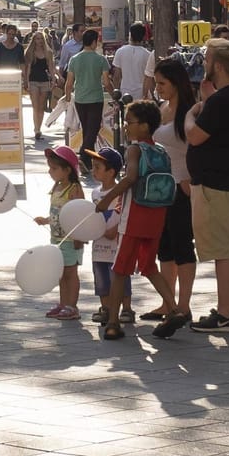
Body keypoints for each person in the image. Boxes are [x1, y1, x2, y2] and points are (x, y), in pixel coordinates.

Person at [184, 37, 229, 333]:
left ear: (218, 66)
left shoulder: (224, 99)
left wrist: (190, 115)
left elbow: (195, 136)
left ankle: (225, 315)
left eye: (207, 59)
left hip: (216, 186)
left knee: (223, 251)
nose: (203, 63)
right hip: (227, 181)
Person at [94, 101, 174, 342]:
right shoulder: (160, 150)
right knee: (149, 266)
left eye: (130, 122)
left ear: (145, 126)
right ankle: (176, 308)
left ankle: (113, 322)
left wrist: (107, 199)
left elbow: (130, 178)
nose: (126, 126)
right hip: (156, 215)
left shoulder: (134, 150)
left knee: (119, 270)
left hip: (135, 216)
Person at [149, 55, 198, 337]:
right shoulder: (162, 107)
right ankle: (167, 303)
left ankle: (184, 304)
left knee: (182, 246)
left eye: (163, 83)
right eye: (156, 83)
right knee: (164, 247)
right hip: (159, 188)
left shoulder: (190, 112)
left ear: (177, 83)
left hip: (182, 186)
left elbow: (197, 148)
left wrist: (189, 181)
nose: (158, 88)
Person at [82, 146, 134, 324]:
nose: (93, 170)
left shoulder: (122, 191)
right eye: (93, 166)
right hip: (99, 244)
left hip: (117, 243)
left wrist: (117, 228)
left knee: (121, 276)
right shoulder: (95, 193)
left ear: (111, 171)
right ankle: (106, 308)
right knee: (101, 278)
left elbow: (126, 212)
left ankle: (126, 308)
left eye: (98, 167)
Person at [33, 145, 86, 319]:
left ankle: (72, 306)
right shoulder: (56, 188)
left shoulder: (74, 190)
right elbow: (56, 212)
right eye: (49, 167)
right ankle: (64, 304)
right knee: (61, 273)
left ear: (67, 170)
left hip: (71, 240)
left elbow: (81, 214)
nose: (50, 171)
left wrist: (79, 237)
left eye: (54, 168)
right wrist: (46, 220)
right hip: (56, 238)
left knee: (71, 273)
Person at [63, 30, 111, 152]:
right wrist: (114, 94)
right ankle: (85, 156)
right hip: (96, 99)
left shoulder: (74, 59)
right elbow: (106, 82)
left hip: (80, 99)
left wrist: (68, 97)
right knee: (93, 130)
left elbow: (69, 83)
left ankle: (88, 159)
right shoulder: (101, 60)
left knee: (87, 129)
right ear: (94, 42)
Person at [22, 30, 56, 142]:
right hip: (33, 81)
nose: (39, 41)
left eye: (41, 38)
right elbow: (28, 68)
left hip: (44, 81)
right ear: (34, 40)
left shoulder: (48, 52)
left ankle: (38, 128)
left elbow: (51, 67)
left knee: (41, 106)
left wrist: (53, 79)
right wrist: (26, 81)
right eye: (37, 39)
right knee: (35, 106)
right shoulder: (30, 52)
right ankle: (36, 129)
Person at [113, 23, 157, 102]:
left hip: (124, 92)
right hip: (141, 93)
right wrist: (152, 96)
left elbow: (117, 76)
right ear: (143, 36)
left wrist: (116, 94)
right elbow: (149, 78)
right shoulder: (147, 54)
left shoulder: (120, 51)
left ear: (130, 35)